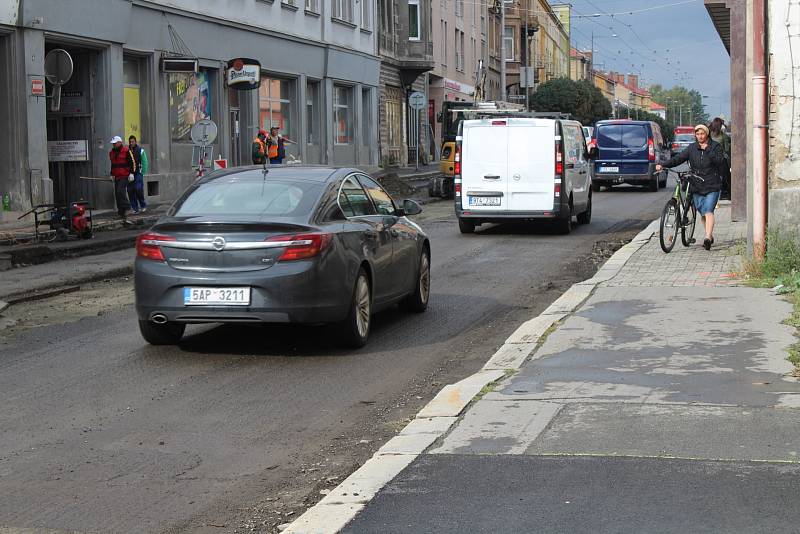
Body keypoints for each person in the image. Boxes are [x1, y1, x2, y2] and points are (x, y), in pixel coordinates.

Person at [656, 124, 725, 250]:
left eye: (702, 134)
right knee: (703, 213)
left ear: (707, 134)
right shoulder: (692, 148)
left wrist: (708, 149)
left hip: (712, 183)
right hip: (696, 184)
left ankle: (707, 238)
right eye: (698, 134)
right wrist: (663, 165)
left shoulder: (715, 146)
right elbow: (678, 158)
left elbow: (720, 161)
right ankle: (709, 234)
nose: (700, 136)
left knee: (709, 210)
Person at [108, 135, 136, 223]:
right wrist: (112, 174)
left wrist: (132, 173)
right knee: (117, 194)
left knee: (120, 191)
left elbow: (133, 162)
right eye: (113, 143)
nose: (113, 145)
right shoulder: (111, 153)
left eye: (115, 143)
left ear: (120, 143)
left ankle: (128, 208)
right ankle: (121, 213)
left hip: (125, 175)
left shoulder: (127, 151)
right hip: (117, 176)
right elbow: (113, 164)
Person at [708, 117, 731, 200]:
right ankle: (725, 193)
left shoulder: (709, 135)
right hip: (721, 160)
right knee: (726, 177)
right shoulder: (723, 136)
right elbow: (727, 149)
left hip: (710, 159)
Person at [127, 135, 148, 214]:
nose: (131, 143)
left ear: (135, 142)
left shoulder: (140, 150)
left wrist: (142, 172)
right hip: (130, 174)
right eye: (130, 142)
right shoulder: (127, 150)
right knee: (130, 190)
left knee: (138, 188)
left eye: (133, 141)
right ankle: (135, 208)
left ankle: (143, 205)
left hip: (138, 173)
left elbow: (145, 162)